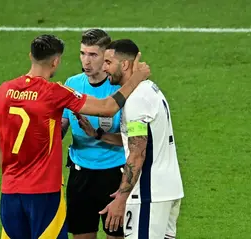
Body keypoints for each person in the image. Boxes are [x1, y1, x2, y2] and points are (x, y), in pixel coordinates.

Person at [0, 34, 150, 239]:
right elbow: (107, 107)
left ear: (31, 56)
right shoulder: (55, 92)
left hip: (10, 191)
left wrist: (12, 174)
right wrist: (136, 78)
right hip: (44, 191)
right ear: (56, 61)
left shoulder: (3, 91)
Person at [79, 39, 184, 239]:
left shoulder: (136, 100)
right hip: (167, 190)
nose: (104, 68)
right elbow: (138, 140)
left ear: (125, 64)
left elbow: (137, 153)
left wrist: (121, 198)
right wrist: (98, 134)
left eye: (108, 62)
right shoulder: (150, 89)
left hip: (148, 194)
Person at [61, 29, 125, 239]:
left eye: (93, 55)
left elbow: (131, 140)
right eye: (83, 53)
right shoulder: (72, 84)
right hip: (80, 176)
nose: (86, 61)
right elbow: (61, 126)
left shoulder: (119, 88)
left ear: (107, 56)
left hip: (115, 174)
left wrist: (98, 135)